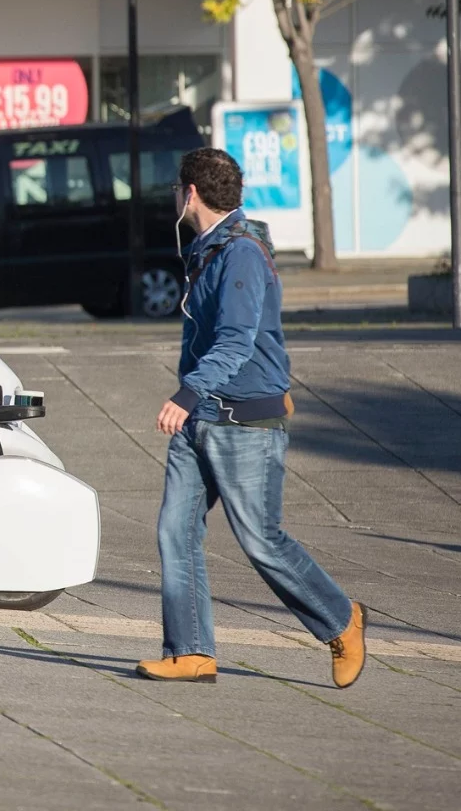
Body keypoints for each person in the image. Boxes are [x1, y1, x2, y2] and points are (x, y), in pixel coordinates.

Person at [137, 148, 366, 688]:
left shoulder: (239, 254)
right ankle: (191, 652)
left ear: (189, 193)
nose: (174, 196)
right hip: (204, 417)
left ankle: (341, 620)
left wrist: (186, 395)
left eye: (176, 188)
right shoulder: (210, 250)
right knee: (176, 528)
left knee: (261, 539)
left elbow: (236, 343)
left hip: (243, 421)